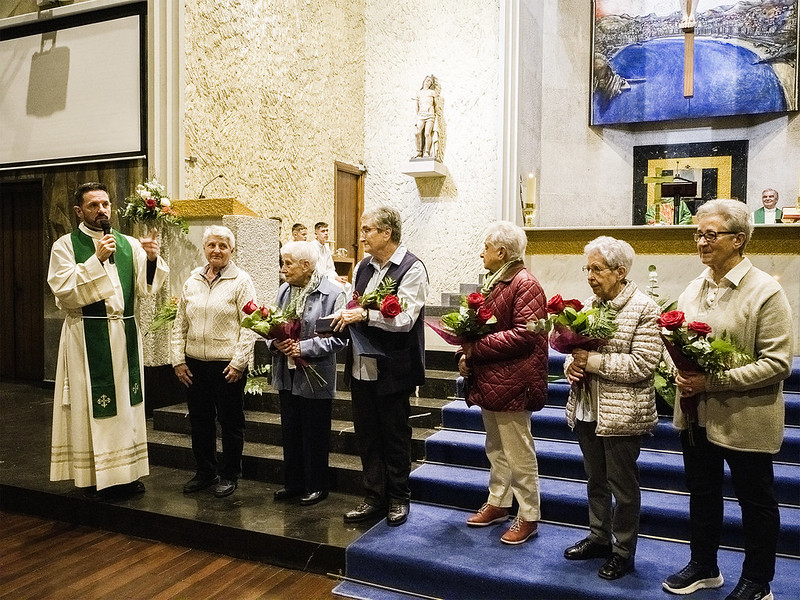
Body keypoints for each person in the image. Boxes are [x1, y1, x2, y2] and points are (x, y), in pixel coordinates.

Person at [663, 199, 793, 600]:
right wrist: (678, 374)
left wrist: (710, 383)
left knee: (755, 500)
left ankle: (758, 580)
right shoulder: (693, 287)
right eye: (698, 234)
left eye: (710, 234)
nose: (701, 242)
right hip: (697, 414)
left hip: (746, 415)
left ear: (739, 240)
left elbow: (777, 363)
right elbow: (676, 346)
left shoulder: (765, 291)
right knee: (702, 493)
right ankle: (704, 565)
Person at [48, 182, 169, 499]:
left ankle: (127, 475)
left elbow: (146, 288)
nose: (101, 210)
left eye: (105, 204)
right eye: (93, 205)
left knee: (129, 409)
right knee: (93, 406)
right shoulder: (66, 246)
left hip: (124, 335)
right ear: (79, 211)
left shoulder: (128, 244)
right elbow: (64, 292)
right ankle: (94, 477)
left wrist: (153, 259)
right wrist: (96, 261)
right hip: (88, 336)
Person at [563, 236, 661, 579]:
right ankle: (599, 536)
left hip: (622, 413)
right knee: (595, 480)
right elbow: (575, 356)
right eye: (588, 268)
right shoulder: (589, 304)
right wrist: (572, 366)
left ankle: (623, 550)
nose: (590, 275)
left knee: (623, 486)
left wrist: (592, 362)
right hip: (588, 407)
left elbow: (643, 364)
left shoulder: (644, 308)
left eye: (597, 269)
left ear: (620, 272)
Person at [331, 206, 428, 527]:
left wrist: (364, 315)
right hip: (360, 365)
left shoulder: (412, 269)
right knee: (367, 436)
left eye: (368, 230)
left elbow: (404, 319)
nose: (362, 236)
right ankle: (374, 497)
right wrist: (345, 314)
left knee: (394, 436)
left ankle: (399, 497)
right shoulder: (362, 267)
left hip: (392, 368)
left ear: (387, 233)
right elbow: (355, 303)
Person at [458, 221, 548, 545]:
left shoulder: (525, 284)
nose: (481, 252)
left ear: (502, 251)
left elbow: (526, 334)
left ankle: (529, 515)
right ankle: (498, 502)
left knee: (518, 451)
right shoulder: (496, 282)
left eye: (486, 246)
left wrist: (475, 349)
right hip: (494, 378)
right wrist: (464, 353)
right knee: (496, 447)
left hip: (514, 380)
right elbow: (479, 329)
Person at [172, 226, 256, 498]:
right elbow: (179, 323)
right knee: (200, 421)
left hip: (226, 365)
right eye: (211, 245)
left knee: (231, 422)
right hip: (195, 363)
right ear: (204, 248)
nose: (217, 250)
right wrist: (177, 360)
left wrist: (239, 362)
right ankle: (205, 472)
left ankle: (229, 474)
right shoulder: (192, 280)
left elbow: (250, 324)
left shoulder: (241, 281)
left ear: (232, 250)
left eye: (223, 245)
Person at [269, 241, 347, 506]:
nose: (283, 269)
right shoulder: (283, 291)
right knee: (290, 430)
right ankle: (294, 483)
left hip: (315, 373)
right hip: (286, 372)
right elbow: (270, 327)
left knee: (314, 432)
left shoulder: (333, 293)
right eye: (283, 263)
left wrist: (303, 347)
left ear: (306, 265)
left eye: (288, 263)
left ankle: (316, 485)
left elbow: (339, 339)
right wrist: (275, 343)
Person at [313, 221, 348, 285]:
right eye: (323, 231)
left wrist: (336, 277)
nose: (326, 233)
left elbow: (330, 268)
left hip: (329, 277)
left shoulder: (326, 248)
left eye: (327, 231)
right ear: (316, 233)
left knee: (347, 285)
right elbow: (316, 271)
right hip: (318, 280)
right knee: (338, 287)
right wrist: (333, 278)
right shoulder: (312, 247)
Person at [414, 75, 438, 158]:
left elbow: (436, 104)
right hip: (421, 114)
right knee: (417, 133)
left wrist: (434, 112)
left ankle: (427, 151)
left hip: (430, 114)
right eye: (427, 80)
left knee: (427, 133)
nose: (428, 82)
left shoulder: (432, 92)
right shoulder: (419, 93)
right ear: (424, 81)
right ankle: (419, 151)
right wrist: (418, 115)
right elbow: (416, 105)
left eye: (430, 82)